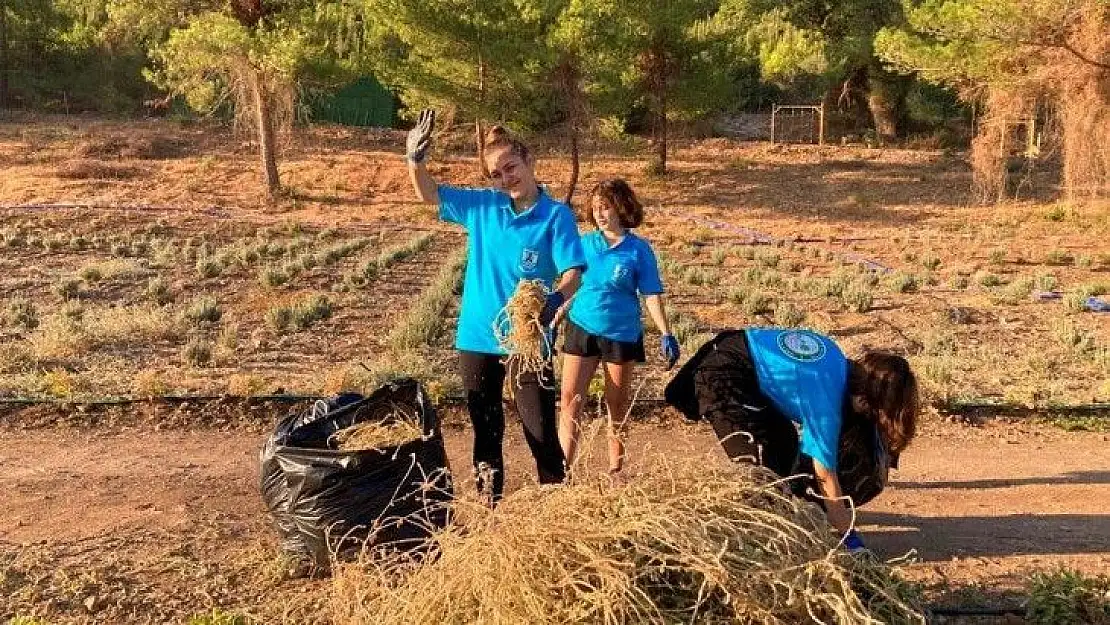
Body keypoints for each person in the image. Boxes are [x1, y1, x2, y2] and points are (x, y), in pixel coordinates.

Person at [406, 109, 586, 502]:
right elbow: (428, 193)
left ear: (528, 160)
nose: (507, 178)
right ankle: (491, 512)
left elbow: (574, 271)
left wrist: (556, 297)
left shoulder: (556, 216)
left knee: (539, 431)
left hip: (528, 340)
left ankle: (557, 512)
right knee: (486, 432)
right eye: (497, 174)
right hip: (477, 336)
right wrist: (415, 161)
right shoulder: (483, 207)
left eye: (511, 167)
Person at [663, 328, 918, 553]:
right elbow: (825, 475)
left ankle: (786, 524)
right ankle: (729, 543)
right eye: (874, 412)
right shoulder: (826, 401)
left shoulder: (837, 362)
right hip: (724, 375)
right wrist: (849, 539)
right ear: (863, 399)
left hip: (739, 359)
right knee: (764, 479)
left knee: (786, 462)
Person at [555, 179, 679, 477]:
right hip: (582, 328)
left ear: (621, 208)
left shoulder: (639, 250)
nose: (599, 213)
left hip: (621, 335)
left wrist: (665, 332)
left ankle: (615, 471)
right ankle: (561, 472)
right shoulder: (584, 245)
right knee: (570, 399)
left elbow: (650, 294)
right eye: (595, 208)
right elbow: (570, 285)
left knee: (617, 404)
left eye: (606, 207)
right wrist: (554, 316)